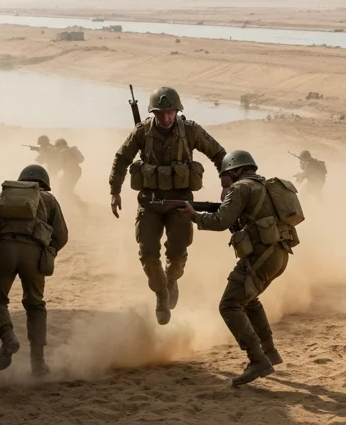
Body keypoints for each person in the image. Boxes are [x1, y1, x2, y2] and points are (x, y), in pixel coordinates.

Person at [176, 150, 301, 387]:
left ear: (234, 170)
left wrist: (194, 216)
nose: (224, 180)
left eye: (225, 175)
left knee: (230, 305)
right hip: (279, 254)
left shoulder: (241, 188)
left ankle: (258, 360)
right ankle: (270, 351)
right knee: (249, 301)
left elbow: (220, 222)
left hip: (261, 256)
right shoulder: (263, 186)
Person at [108, 86, 227, 325]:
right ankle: (161, 294)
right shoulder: (142, 132)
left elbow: (219, 153)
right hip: (150, 203)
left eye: (170, 112)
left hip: (181, 204)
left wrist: (226, 183)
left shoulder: (191, 131)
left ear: (177, 110)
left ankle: (171, 281)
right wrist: (115, 191)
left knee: (177, 254)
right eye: (160, 113)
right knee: (148, 253)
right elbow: (122, 158)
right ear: (153, 113)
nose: (165, 118)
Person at [0, 164, 69, 376]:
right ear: (44, 184)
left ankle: (8, 338)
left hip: (4, 252)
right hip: (34, 255)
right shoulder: (50, 200)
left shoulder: (3, 196)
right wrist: (48, 251)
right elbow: (61, 235)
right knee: (35, 305)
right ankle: (38, 364)